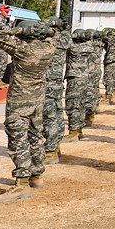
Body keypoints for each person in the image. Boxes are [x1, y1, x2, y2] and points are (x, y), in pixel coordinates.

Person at [0, 20, 57, 202]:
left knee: (18, 140)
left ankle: (21, 184)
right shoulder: (48, 47)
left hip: (19, 102)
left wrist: (18, 29)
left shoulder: (22, 49)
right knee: (35, 136)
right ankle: (37, 175)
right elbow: (54, 34)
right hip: (37, 101)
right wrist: (44, 30)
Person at [42, 17, 71, 164]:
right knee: (57, 114)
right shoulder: (62, 42)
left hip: (46, 83)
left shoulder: (46, 42)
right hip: (57, 82)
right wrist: (63, 27)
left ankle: (51, 150)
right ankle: (56, 144)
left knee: (49, 117)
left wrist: (47, 25)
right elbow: (67, 35)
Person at [61, 29, 93, 144]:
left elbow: (64, 42)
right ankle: (79, 130)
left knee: (72, 106)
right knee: (80, 105)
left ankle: (73, 133)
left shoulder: (74, 48)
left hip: (75, 79)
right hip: (84, 79)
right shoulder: (88, 48)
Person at [99, 27, 115, 104]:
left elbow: (102, 36)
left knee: (108, 78)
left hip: (110, 61)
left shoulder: (110, 39)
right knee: (112, 76)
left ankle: (109, 96)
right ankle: (113, 91)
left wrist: (104, 31)